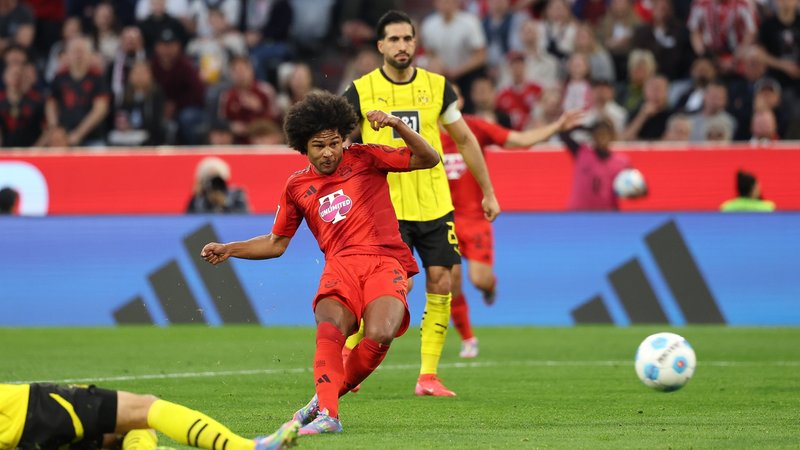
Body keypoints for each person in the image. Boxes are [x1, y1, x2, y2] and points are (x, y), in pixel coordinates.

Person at [200, 91, 440, 434]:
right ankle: (329, 414)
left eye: (334, 143)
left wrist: (397, 125)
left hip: (384, 259)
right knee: (330, 327)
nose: (328, 152)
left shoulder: (366, 157)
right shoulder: (297, 186)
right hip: (340, 266)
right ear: (304, 146)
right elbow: (276, 243)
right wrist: (230, 248)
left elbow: (428, 158)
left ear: (344, 139)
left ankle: (322, 399)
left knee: (381, 333)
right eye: (319, 146)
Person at [342, 10, 501, 397]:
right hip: (386, 209)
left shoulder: (437, 86)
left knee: (442, 281)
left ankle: (427, 376)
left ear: (415, 43)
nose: (402, 46)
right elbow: (339, 142)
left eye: (407, 39)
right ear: (381, 45)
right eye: (394, 39)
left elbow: (465, 140)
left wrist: (488, 191)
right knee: (390, 287)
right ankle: (349, 352)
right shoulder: (361, 90)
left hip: (434, 203)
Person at [443, 92, 584, 358]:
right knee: (451, 282)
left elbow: (518, 140)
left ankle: (490, 287)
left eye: (454, 95)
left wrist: (556, 127)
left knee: (479, 279)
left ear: (460, 102)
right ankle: (468, 339)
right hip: (443, 219)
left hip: (475, 219)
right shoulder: (424, 133)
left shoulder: (474, 127)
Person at [0, 382, 297, 449]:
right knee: (146, 409)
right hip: (26, 407)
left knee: (116, 438)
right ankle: (248, 448)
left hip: (16, 438)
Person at [561, 118, 645, 211]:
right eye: (598, 134)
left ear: (611, 136)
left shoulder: (622, 162)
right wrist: (585, 128)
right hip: (578, 213)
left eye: (605, 134)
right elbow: (563, 134)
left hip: (607, 214)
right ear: (593, 136)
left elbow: (641, 189)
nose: (602, 138)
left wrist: (633, 191)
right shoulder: (581, 152)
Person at [46, 36, 111, 147]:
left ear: (90, 54)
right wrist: (55, 128)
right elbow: (51, 104)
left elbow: (100, 109)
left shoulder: (97, 77)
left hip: (92, 138)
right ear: (67, 54)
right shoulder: (59, 77)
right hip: (63, 139)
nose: (78, 55)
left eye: (82, 51)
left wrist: (78, 134)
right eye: (75, 51)